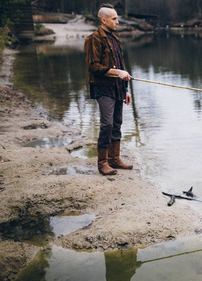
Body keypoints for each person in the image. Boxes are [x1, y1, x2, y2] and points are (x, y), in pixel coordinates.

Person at [84, 3, 133, 175]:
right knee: (107, 124)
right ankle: (102, 163)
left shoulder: (114, 39)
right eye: (114, 19)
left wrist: (125, 90)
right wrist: (117, 72)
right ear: (103, 20)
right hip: (103, 88)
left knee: (117, 124)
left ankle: (114, 159)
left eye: (117, 18)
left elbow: (121, 66)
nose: (117, 22)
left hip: (119, 89)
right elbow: (94, 67)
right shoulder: (93, 39)